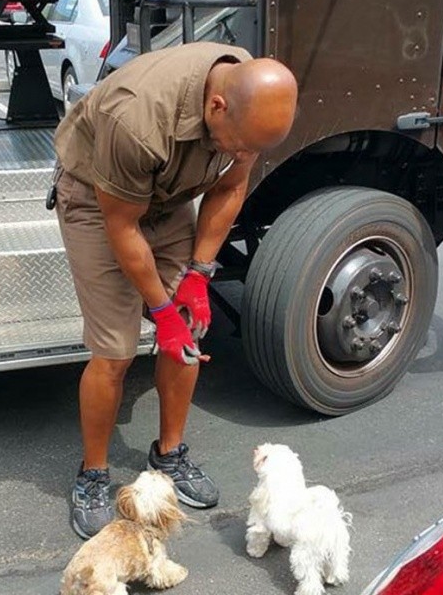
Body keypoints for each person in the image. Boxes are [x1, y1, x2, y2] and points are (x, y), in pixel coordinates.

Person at [53, 41, 298, 539]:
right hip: (99, 203)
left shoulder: (248, 105)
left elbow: (229, 189)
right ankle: (94, 475)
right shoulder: (135, 120)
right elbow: (122, 228)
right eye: (235, 145)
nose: (241, 155)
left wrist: (197, 277)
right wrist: (160, 309)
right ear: (216, 107)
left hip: (166, 196)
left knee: (188, 335)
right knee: (115, 352)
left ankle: (169, 453)